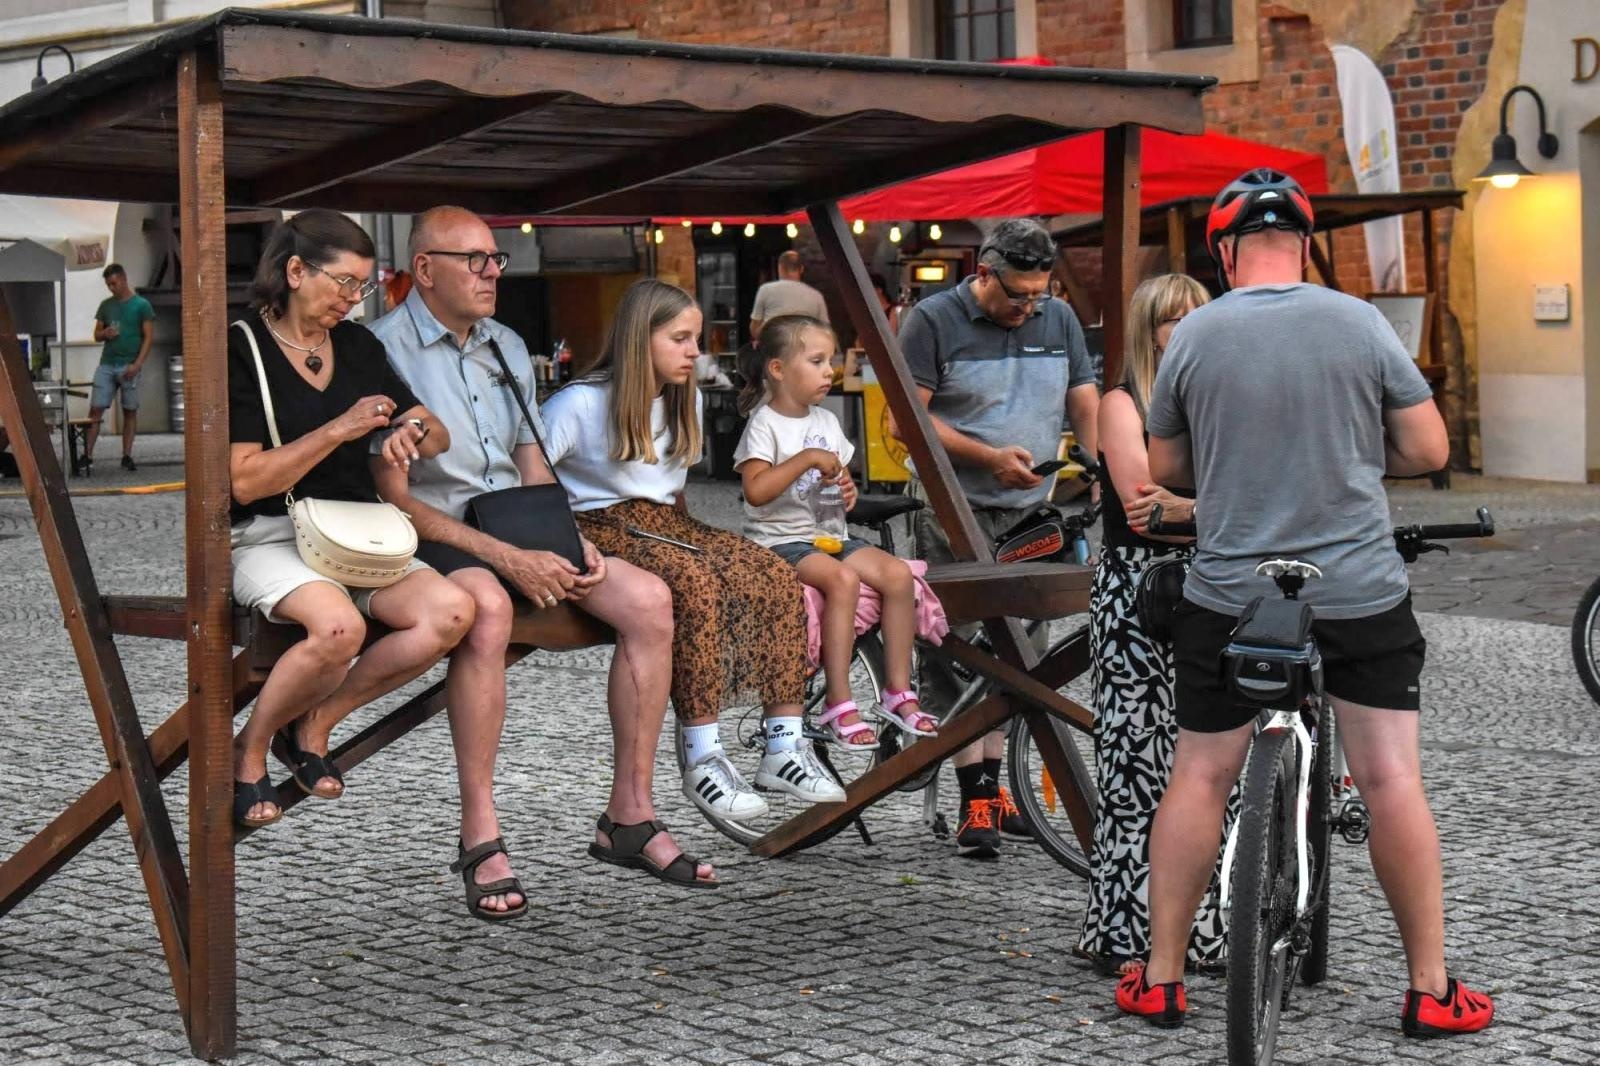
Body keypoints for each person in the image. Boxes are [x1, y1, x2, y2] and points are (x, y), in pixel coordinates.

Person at [1118, 169, 1494, 1038]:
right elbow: (1428, 446)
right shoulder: (1360, 321)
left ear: (1223, 249)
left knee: (1201, 774)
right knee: (1392, 776)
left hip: (1229, 595)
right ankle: (1431, 990)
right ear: (1307, 242)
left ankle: (1161, 978)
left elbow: (1168, 470)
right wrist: (1356, 456)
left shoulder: (1196, 337)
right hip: (1356, 590)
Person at [370, 206, 716, 906]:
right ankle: (480, 832)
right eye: (474, 260)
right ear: (425, 269)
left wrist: (565, 538)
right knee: (489, 611)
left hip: (516, 526)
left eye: (495, 258)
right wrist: (508, 556)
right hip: (434, 537)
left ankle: (630, 813)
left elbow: (531, 458)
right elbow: (393, 499)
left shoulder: (503, 342)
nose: (492, 272)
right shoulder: (379, 351)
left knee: (649, 599)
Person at [228, 210, 473, 836]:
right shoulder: (241, 346)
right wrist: (340, 428)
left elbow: (437, 431)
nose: (352, 298)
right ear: (293, 271)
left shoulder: (360, 346)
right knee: (336, 628)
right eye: (343, 282)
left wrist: (405, 432)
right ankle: (250, 749)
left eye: (362, 286)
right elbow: (246, 480)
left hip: (358, 531)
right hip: (273, 531)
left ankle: (315, 724)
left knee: (450, 612)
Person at [541, 279, 818, 820]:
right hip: (594, 524)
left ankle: (784, 743)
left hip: (663, 522)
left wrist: (705, 541)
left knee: (772, 571)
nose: (696, 351)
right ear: (639, 339)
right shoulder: (578, 403)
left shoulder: (682, 395)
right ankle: (701, 756)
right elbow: (528, 477)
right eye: (681, 338)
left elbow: (671, 490)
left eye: (695, 339)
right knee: (691, 580)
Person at [894, 217, 1100, 859]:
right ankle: (975, 793)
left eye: (1040, 296)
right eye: (1018, 296)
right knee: (957, 650)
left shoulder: (1057, 319)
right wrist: (985, 458)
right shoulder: (930, 320)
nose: (1029, 308)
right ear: (982, 273)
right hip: (954, 507)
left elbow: (1083, 398)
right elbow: (908, 424)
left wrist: (1099, 473)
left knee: (1023, 655)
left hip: (1030, 511)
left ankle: (999, 787)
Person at [1077, 273, 1234, 978]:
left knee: (1214, 773)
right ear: (1148, 330)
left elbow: (1191, 505)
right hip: (1143, 598)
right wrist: (1226, 512)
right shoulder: (1123, 402)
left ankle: (1211, 932)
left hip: (1218, 588)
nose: (1186, 328)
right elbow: (1146, 510)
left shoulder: (1225, 396)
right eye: (1173, 318)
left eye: (1197, 315)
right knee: (1137, 769)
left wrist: (1198, 510)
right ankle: (1125, 931)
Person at [733, 315, 937, 775]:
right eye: (818, 360)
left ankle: (898, 692)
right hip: (779, 542)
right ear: (779, 369)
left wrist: (847, 492)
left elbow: (841, 484)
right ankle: (839, 701)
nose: (830, 371)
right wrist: (805, 458)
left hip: (830, 535)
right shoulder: (764, 424)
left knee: (898, 575)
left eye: (832, 361)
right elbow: (756, 492)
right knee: (842, 580)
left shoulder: (826, 419)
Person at [87, 264, 156, 474]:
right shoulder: (106, 305)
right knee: (96, 409)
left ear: (124, 279)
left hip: (129, 363)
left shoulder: (141, 305)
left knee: (129, 410)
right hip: (107, 362)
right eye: (108, 285)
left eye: (114, 283)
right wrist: (104, 333)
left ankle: (127, 455)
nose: (111, 288)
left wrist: (137, 364)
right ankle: (87, 455)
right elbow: (96, 334)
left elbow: (149, 337)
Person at [749, 250, 828, 344]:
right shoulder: (817, 296)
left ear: (780, 268)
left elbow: (755, 327)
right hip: (804, 350)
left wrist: (760, 340)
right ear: (801, 269)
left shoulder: (765, 290)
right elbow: (825, 330)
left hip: (774, 348)